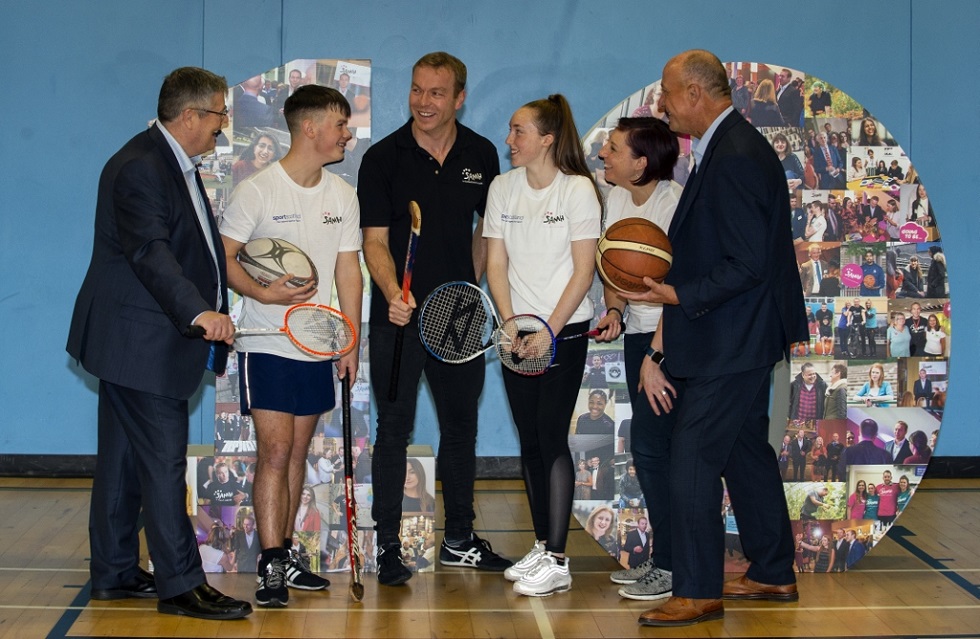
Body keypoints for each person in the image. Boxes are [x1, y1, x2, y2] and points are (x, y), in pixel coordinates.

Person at [623, 50, 807, 627]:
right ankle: (774, 570)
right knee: (744, 452)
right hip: (741, 333)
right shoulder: (725, 149)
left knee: (693, 456)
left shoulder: (735, 156)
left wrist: (678, 296)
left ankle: (699, 590)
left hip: (735, 338)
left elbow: (748, 262)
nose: (662, 105)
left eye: (668, 94)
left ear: (697, 94)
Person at [65, 67, 251, 620]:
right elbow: (150, 252)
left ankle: (115, 571)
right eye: (219, 113)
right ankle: (181, 585)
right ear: (190, 115)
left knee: (123, 460)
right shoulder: (142, 168)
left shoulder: (164, 159)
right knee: (163, 464)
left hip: (134, 338)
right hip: (143, 339)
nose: (223, 124)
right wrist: (199, 312)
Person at [357, 52, 510, 586]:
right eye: (417, 90)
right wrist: (390, 291)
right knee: (393, 430)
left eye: (436, 93)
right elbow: (373, 241)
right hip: (397, 318)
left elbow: (486, 231)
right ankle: (388, 550)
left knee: (461, 429)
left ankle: (460, 541)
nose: (424, 102)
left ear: (459, 97)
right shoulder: (383, 159)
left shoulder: (482, 155)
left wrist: (468, 287)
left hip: (460, 319)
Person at [219, 84, 362, 607]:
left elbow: (351, 269)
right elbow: (226, 259)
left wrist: (351, 338)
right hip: (266, 342)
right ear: (311, 128)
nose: (347, 134)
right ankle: (271, 562)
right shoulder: (257, 191)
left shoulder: (342, 195)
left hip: (318, 344)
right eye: (340, 125)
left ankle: (284, 556)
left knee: (298, 451)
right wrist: (263, 292)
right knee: (275, 451)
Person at [485, 93, 601, 598]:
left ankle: (558, 558)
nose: (510, 141)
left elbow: (583, 270)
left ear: (547, 139)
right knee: (528, 440)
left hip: (565, 331)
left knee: (551, 437)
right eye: (511, 132)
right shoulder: (502, 188)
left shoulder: (577, 192)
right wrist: (512, 325)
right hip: (516, 334)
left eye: (519, 132)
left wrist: (548, 331)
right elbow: (495, 264)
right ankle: (541, 544)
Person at [590, 115, 682, 602]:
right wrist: (614, 309)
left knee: (654, 449)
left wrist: (655, 355)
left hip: (672, 338)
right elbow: (616, 268)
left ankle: (672, 564)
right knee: (649, 451)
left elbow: (678, 291)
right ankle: (666, 556)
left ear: (640, 163)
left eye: (614, 148)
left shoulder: (675, 206)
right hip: (637, 336)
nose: (604, 153)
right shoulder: (617, 196)